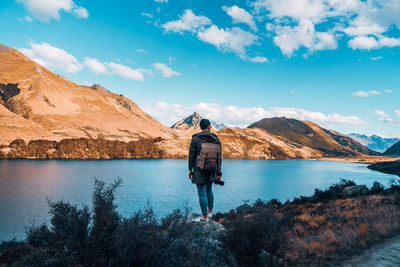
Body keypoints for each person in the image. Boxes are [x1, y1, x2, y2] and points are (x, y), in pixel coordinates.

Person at [188, 119, 222, 222]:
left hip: (199, 170)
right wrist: (219, 171)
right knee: (209, 190)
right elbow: (219, 157)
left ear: (201, 127)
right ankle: (210, 213)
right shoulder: (216, 138)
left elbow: (191, 155)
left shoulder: (196, 138)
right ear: (209, 127)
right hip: (212, 169)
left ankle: (204, 218)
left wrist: (190, 169)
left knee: (201, 193)